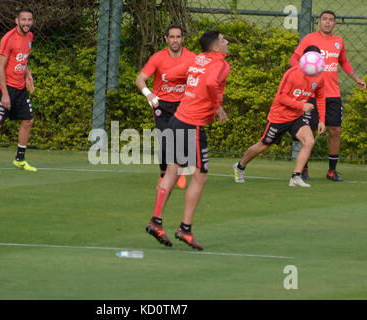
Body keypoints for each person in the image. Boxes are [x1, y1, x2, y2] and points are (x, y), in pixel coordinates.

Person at [145, 30, 230, 251]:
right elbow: (212, 83)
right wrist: (216, 105)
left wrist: (191, 90)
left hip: (177, 119)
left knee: (172, 170)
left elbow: (171, 75)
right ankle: (185, 228)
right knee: (200, 176)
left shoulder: (198, 59)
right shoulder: (220, 64)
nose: (227, 42)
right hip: (193, 124)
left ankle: (156, 221)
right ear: (215, 48)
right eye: (223, 40)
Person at [233, 45, 326, 188]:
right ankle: (240, 166)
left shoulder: (319, 76)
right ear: (303, 59)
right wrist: (301, 106)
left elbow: (320, 97)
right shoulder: (291, 74)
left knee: (309, 141)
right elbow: (281, 97)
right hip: (280, 116)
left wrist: (321, 120)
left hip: (297, 117)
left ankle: (296, 176)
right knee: (263, 145)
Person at [289, 10, 366, 181]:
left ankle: (332, 171)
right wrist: (301, 74)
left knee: (335, 130)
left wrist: (356, 79)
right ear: (319, 22)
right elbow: (294, 59)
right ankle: (303, 169)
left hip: (333, 94)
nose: (327, 22)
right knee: (309, 130)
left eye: (331, 20)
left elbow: (344, 62)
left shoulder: (339, 41)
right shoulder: (309, 39)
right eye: (324, 19)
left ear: (335, 23)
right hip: (312, 93)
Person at [135, 24, 196, 190]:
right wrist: (148, 94)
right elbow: (140, 79)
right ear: (166, 39)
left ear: (182, 39)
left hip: (183, 105)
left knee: (183, 140)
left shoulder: (192, 58)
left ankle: (180, 172)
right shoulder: (157, 58)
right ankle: (163, 176)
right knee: (164, 140)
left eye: (178, 37)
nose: (175, 40)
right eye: (172, 37)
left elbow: (200, 80)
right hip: (161, 105)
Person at [0, 8, 37, 172]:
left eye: (29, 20)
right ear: (17, 21)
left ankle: (20, 159)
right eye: (23, 20)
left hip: (20, 88)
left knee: (28, 120)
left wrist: (28, 74)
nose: (26, 23)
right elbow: (0, 67)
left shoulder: (30, 37)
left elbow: (23, 58)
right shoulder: (8, 38)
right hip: (5, 87)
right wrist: (5, 94)